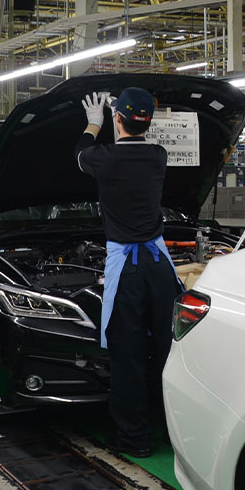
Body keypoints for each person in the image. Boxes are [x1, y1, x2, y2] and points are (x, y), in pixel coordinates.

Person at [75, 87, 181, 458]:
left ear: (117, 119)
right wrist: (117, 114)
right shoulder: (158, 156)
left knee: (129, 355)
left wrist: (94, 123)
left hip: (127, 271)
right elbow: (127, 143)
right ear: (147, 122)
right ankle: (176, 432)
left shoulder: (103, 158)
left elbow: (79, 153)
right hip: (159, 267)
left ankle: (134, 438)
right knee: (168, 350)